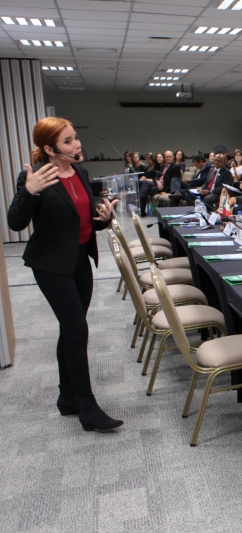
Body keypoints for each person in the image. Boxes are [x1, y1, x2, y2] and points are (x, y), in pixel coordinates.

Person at [6, 117, 122, 432]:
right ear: (49, 148)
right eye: (68, 141)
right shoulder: (35, 177)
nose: (77, 145)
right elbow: (15, 222)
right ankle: (87, 407)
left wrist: (104, 218)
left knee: (69, 330)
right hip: (51, 264)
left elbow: (85, 221)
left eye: (75, 138)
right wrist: (28, 192)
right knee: (76, 330)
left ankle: (67, 398)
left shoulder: (80, 173)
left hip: (79, 260)